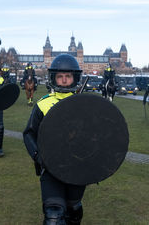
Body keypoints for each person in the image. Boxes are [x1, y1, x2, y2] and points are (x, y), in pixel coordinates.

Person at [23, 54, 85, 224]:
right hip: (51, 169)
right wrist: (38, 156)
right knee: (53, 215)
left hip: (77, 169)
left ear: (75, 78)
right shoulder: (43, 105)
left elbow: (97, 136)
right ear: (53, 78)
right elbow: (28, 133)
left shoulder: (86, 104)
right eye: (60, 76)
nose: (64, 80)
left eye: (68, 76)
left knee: (74, 210)